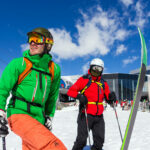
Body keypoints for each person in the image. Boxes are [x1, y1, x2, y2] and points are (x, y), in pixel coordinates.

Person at [0, 27, 67, 150]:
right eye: (31, 40)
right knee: (54, 147)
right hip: (18, 114)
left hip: (39, 117)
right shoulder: (19, 64)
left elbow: (52, 96)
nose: (32, 43)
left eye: (37, 39)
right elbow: (2, 89)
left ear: (48, 45)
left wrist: (49, 116)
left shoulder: (54, 69)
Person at [67, 58, 116, 150]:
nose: (96, 71)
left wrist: (112, 98)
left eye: (99, 69)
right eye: (95, 68)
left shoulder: (103, 83)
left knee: (99, 141)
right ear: (90, 68)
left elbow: (108, 98)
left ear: (102, 70)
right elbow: (70, 91)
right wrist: (79, 96)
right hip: (85, 114)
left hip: (99, 116)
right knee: (81, 140)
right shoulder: (84, 79)